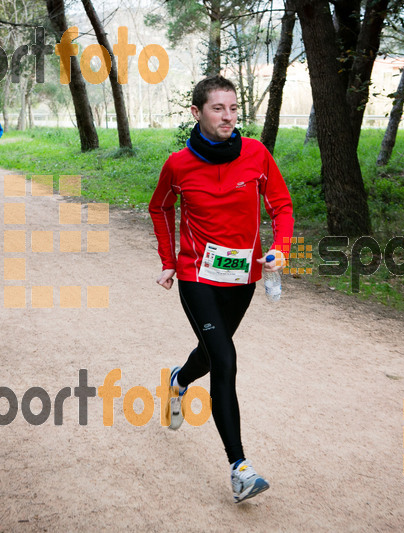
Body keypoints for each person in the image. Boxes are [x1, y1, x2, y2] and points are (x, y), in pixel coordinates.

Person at [148, 75, 294, 504]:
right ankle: (240, 469)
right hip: (196, 276)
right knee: (225, 359)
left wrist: (280, 248)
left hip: (242, 278)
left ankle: (179, 380)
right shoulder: (178, 164)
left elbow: (281, 205)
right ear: (197, 113)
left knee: (212, 352)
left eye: (233, 108)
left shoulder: (256, 154)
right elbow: (159, 208)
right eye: (218, 109)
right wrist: (169, 261)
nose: (229, 116)